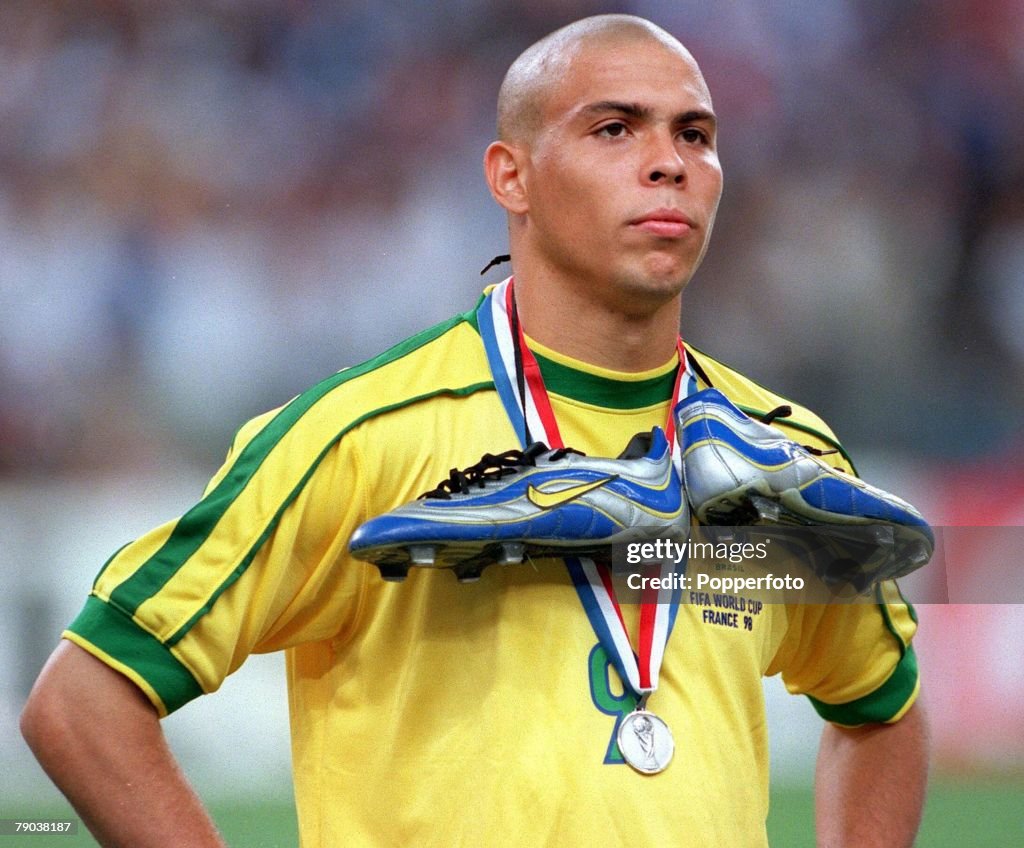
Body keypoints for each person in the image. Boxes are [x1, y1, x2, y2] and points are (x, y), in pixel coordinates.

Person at [21, 14, 928, 847]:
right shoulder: (363, 435)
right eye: (615, 129)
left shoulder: (777, 455)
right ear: (511, 175)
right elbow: (84, 700)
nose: (669, 163)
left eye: (695, 134)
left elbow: (880, 703)